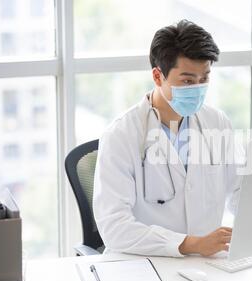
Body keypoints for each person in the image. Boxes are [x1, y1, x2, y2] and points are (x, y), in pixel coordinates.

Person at [93, 20, 242, 257]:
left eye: (204, 79)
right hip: (143, 264)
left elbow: (239, 192)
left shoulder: (217, 123)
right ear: (157, 75)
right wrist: (188, 244)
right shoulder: (121, 135)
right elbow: (114, 226)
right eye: (187, 81)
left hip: (206, 265)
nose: (198, 88)